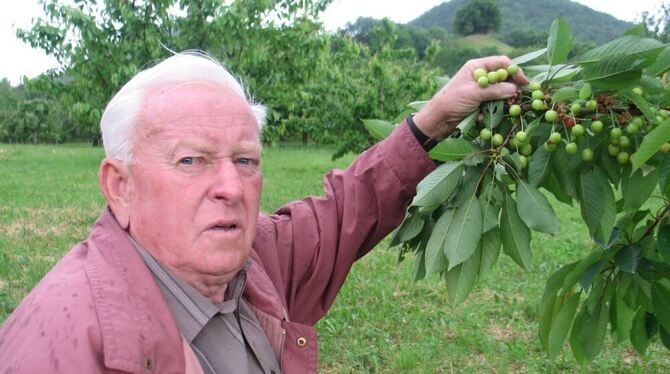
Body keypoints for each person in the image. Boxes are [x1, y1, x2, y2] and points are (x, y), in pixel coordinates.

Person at [0, 52, 527, 373]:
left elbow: (349, 207)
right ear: (120, 186)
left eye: (246, 160)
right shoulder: (59, 345)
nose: (231, 187)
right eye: (192, 161)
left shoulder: (255, 260)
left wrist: (433, 118)